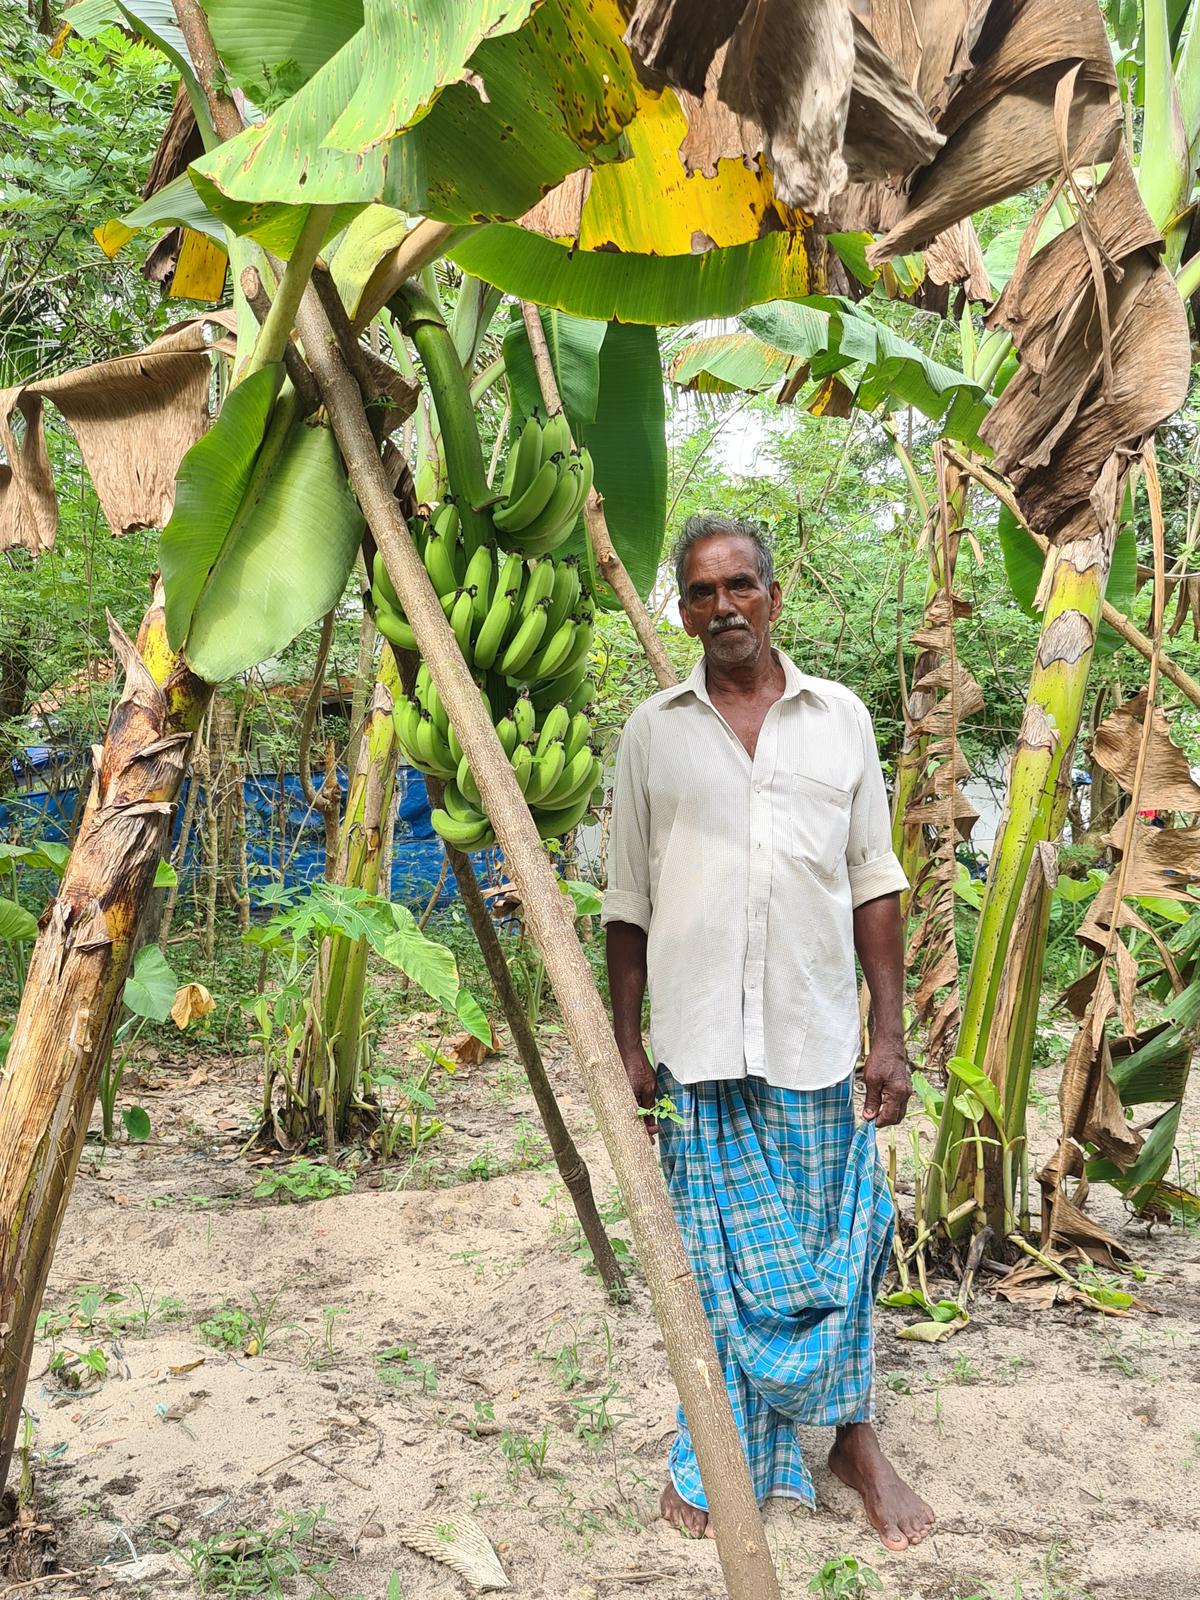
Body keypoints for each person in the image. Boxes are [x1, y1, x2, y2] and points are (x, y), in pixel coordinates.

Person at [602, 514, 935, 1551]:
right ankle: (719, 1447)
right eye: (700, 593)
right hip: (695, 1048)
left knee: (835, 1252)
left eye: (738, 585)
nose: (722, 608)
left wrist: (890, 1030)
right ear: (683, 610)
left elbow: (873, 882)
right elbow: (626, 900)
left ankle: (853, 1440)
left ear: (772, 597)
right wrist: (625, 1040)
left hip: (810, 1036)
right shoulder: (652, 731)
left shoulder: (840, 721)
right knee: (716, 1268)